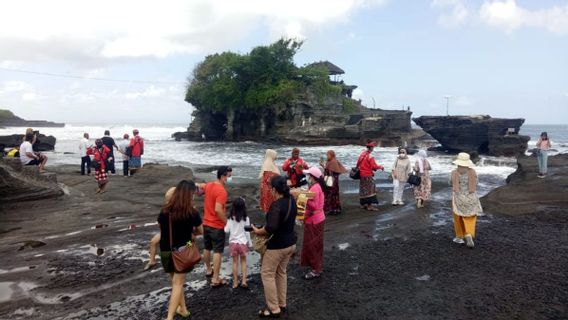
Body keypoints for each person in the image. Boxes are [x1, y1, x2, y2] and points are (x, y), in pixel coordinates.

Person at [157, 180, 203, 320]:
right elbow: (200, 231)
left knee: (176, 282)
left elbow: (162, 230)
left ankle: (183, 309)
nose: (194, 196)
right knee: (178, 283)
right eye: (192, 194)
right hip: (183, 249)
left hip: (166, 250)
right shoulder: (192, 212)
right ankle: (169, 317)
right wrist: (191, 235)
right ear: (188, 194)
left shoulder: (164, 211)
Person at [252, 175, 297, 318]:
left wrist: (258, 231)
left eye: (271, 188)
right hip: (291, 243)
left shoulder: (276, 205)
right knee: (281, 272)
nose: (270, 190)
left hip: (277, 246)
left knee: (267, 274)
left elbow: (271, 227)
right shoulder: (291, 200)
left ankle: (273, 308)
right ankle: (282, 304)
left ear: (274, 189)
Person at [198, 166, 232, 287]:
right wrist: (226, 222)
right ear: (222, 176)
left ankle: (208, 270)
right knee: (218, 251)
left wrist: (196, 184)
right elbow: (218, 210)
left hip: (206, 223)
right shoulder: (222, 191)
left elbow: (202, 186)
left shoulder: (210, 185)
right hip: (216, 225)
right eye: (228, 176)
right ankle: (216, 278)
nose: (229, 178)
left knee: (207, 248)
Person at [451, 152, 483, 248]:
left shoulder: (454, 172)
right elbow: (476, 182)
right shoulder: (472, 172)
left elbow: (450, 182)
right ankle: (468, 233)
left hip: (458, 197)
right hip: (470, 197)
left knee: (458, 216)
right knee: (470, 216)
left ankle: (459, 237)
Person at [300, 167, 326, 280]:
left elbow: (314, 206)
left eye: (309, 176)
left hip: (314, 220)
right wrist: (305, 195)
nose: (308, 177)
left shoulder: (315, 188)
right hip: (318, 218)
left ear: (313, 177)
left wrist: (303, 196)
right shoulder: (317, 186)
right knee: (316, 244)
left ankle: (316, 270)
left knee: (313, 245)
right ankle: (317, 266)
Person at [224, 197, 252, 289]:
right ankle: (244, 281)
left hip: (233, 243)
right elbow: (247, 232)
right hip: (243, 242)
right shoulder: (246, 218)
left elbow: (226, 230)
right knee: (243, 262)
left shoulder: (230, 218)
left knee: (235, 263)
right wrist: (250, 243)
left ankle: (235, 282)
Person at [357, 140, 384, 211]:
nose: (373, 148)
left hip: (362, 174)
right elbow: (373, 166)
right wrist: (380, 167)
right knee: (370, 190)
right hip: (368, 175)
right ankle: (369, 206)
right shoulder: (370, 156)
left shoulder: (362, 154)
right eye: (373, 147)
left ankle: (363, 204)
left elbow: (358, 163)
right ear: (371, 148)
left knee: (363, 190)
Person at [321, 150, 348, 215]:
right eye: (327, 155)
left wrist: (324, 167)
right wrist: (323, 166)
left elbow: (332, 172)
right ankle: (333, 209)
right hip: (331, 181)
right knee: (331, 195)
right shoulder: (330, 161)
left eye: (328, 155)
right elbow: (328, 171)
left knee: (331, 195)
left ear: (332, 155)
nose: (327, 156)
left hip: (332, 182)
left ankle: (333, 209)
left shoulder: (333, 162)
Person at [259, 149, 280, 214]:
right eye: (274, 155)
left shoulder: (270, 162)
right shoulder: (268, 163)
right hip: (269, 189)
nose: (276, 157)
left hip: (268, 188)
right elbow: (268, 178)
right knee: (269, 205)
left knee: (269, 205)